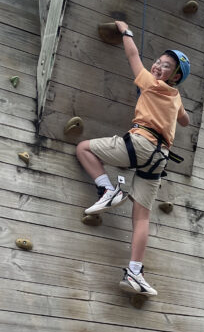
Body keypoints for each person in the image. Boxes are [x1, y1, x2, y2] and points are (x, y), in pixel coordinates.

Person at [75, 20, 190, 297]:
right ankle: (134, 271)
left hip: (140, 143)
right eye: (159, 62)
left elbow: (132, 56)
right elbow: (185, 121)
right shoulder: (175, 97)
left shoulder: (151, 83)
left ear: (173, 76)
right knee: (142, 218)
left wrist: (124, 29)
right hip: (159, 159)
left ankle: (106, 188)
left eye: (165, 66)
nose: (158, 66)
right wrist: (172, 110)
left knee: (83, 148)